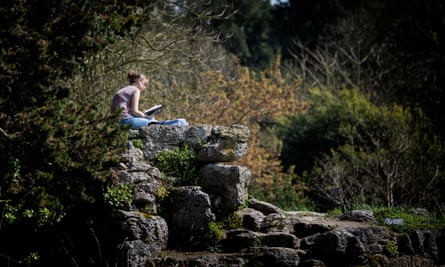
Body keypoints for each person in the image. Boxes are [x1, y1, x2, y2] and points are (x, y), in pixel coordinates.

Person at [110, 70, 188, 129]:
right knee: (154, 123)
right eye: (145, 84)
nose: (145, 88)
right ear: (139, 81)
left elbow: (128, 110)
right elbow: (134, 111)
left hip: (115, 121)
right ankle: (180, 122)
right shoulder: (135, 90)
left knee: (150, 120)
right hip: (125, 121)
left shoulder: (124, 89)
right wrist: (146, 116)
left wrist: (142, 114)